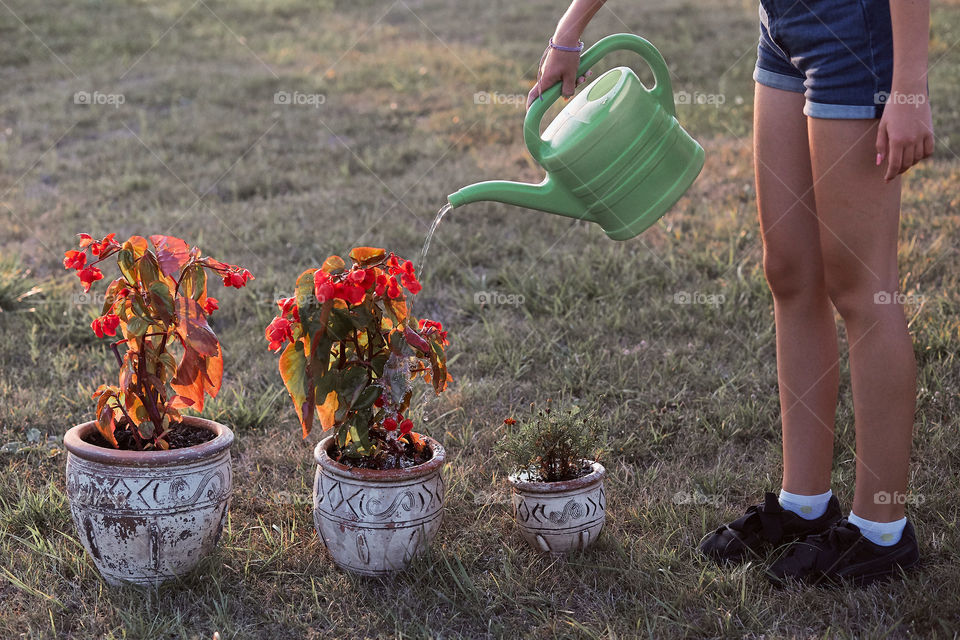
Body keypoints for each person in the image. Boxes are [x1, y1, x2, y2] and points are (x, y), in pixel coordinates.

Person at [528, 0, 933, 585]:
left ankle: (881, 531)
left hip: (855, 30)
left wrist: (910, 86)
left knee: (863, 291)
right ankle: (804, 506)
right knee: (790, 271)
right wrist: (569, 29)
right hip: (784, 27)